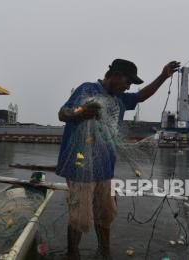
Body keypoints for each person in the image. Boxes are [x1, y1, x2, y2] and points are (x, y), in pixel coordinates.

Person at [56, 59, 180, 259]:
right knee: (80, 216)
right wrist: (80, 112)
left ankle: (105, 253)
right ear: (115, 75)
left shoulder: (120, 98)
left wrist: (163, 76)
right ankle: (72, 254)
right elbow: (63, 114)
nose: (128, 87)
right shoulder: (88, 89)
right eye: (127, 81)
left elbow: (142, 95)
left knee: (105, 214)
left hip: (105, 168)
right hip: (80, 165)